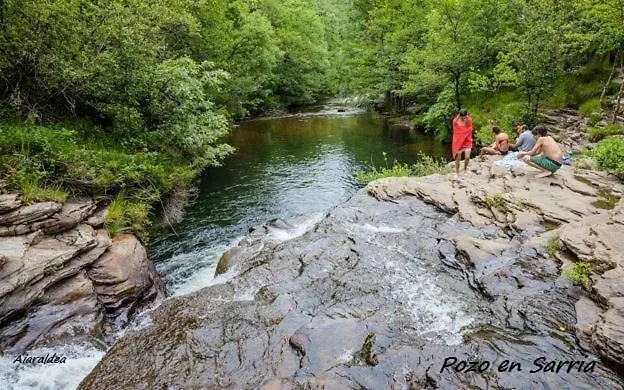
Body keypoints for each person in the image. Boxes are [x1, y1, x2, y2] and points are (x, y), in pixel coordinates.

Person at [451, 109, 473, 176]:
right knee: (458, 158)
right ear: (460, 116)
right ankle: (457, 172)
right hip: (458, 142)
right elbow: (456, 132)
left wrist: (467, 136)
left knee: (467, 157)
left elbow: (469, 129)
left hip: (467, 141)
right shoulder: (455, 121)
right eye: (463, 117)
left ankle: (465, 168)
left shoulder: (469, 120)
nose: (464, 119)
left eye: (465, 117)